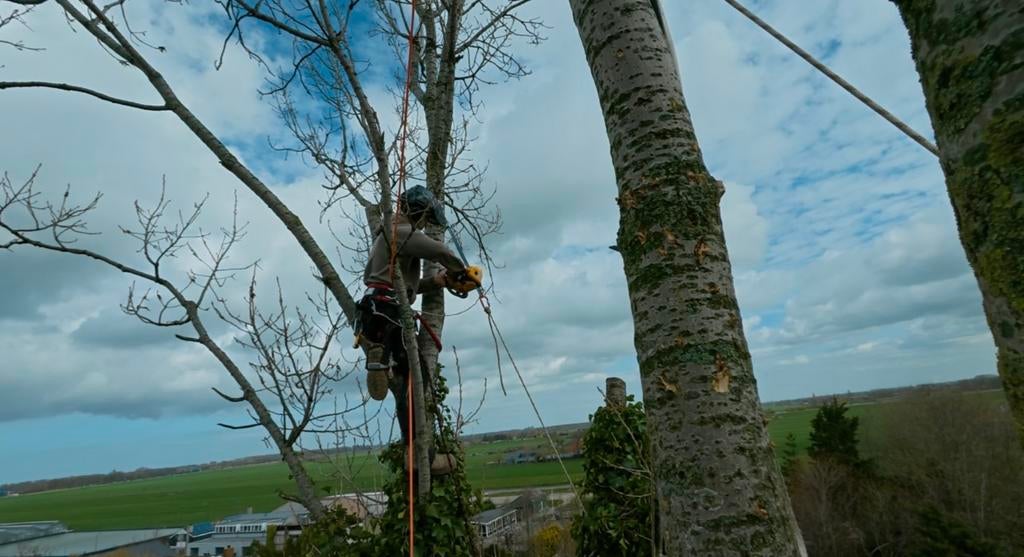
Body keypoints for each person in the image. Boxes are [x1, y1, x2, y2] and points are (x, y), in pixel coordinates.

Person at [357, 185, 479, 475]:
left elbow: (391, 282)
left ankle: (379, 356)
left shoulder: (385, 238)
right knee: (418, 381)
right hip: (390, 313)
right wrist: (460, 271)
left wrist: (435, 282)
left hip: (375, 309)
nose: (425, 224)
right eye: (425, 218)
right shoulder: (401, 230)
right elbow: (438, 250)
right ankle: (420, 456)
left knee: (405, 387)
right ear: (419, 211)